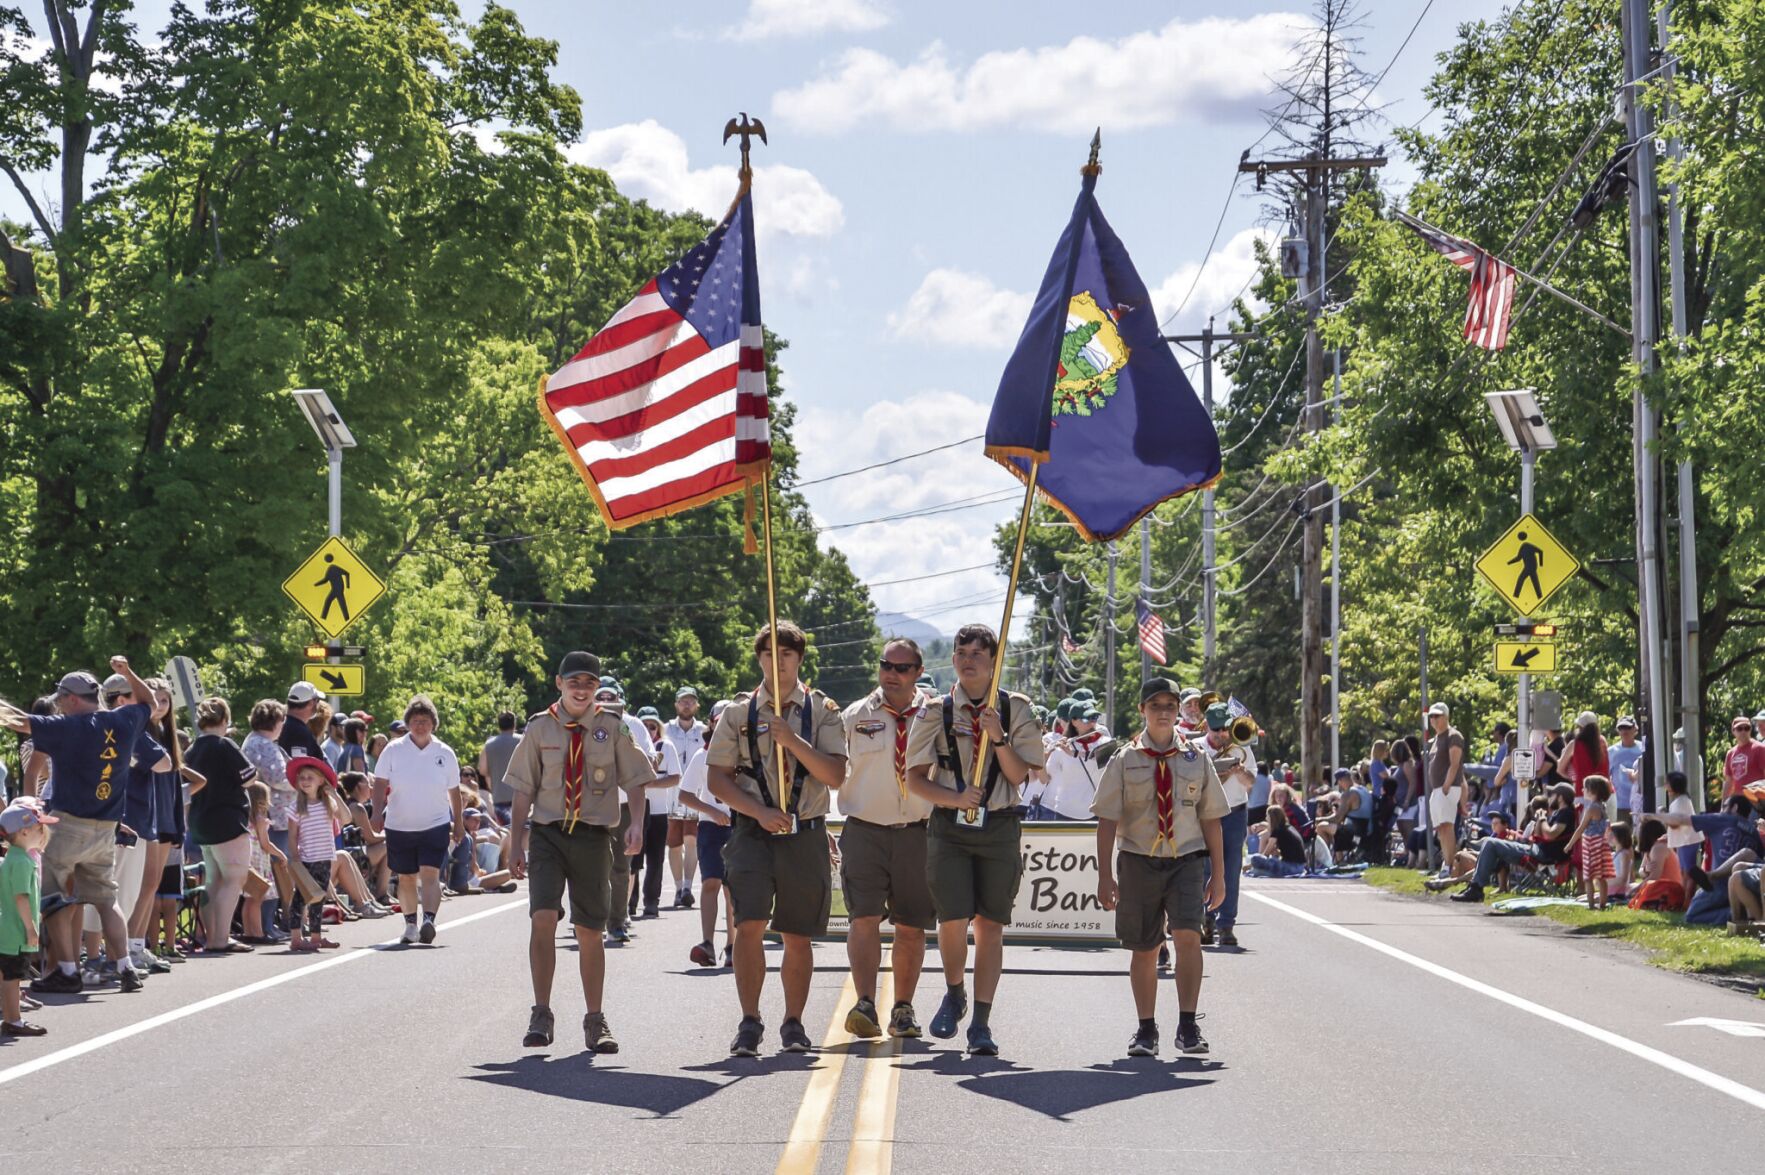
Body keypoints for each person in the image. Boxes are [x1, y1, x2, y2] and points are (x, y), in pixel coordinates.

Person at [707, 621, 848, 1057]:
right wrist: (760, 812)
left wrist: (794, 741)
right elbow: (717, 780)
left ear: (800, 659)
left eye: (787, 654)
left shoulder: (822, 710)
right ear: (759, 659)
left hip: (804, 831)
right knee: (747, 923)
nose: (778, 661)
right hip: (753, 831)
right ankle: (749, 1021)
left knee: (797, 933)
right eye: (769, 654)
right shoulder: (738, 714)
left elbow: (836, 776)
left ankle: (794, 1022)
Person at [904, 623, 1044, 1057]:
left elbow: (1021, 774)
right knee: (952, 918)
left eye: (977, 655)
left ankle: (980, 1023)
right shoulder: (935, 711)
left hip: (998, 826)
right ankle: (954, 991)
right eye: (961, 653)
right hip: (950, 827)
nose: (967, 662)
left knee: (989, 926)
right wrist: (955, 796)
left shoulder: (1016, 709)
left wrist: (997, 735)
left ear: (993, 662)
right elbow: (914, 780)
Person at [503, 651, 653, 1052]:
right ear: (559, 683)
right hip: (549, 834)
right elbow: (522, 790)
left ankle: (594, 1020)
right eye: (574, 682)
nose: (581, 689)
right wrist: (516, 841)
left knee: (590, 929)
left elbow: (636, 780)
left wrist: (636, 823)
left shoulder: (612, 727)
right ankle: (541, 1013)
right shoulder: (539, 728)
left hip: (592, 837)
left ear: (596, 687)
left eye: (589, 682)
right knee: (544, 918)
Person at [1, 659, 153, 994]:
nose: (58, 704)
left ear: (71, 699)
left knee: (55, 897)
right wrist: (128, 674)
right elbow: (150, 704)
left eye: (60, 698)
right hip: (106, 825)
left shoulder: (66, 726)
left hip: (68, 825)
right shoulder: (124, 719)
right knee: (105, 898)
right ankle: (125, 966)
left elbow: (18, 721)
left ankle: (67, 971)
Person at [1094, 678, 1227, 1057]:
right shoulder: (1125, 759)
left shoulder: (1196, 759)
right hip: (1138, 862)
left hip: (1185, 861)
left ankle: (1188, 1025)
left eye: (1171, 705)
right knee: (1145, 947)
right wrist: (1106, 875)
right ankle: (1146, 1029)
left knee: (1188, 936)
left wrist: (1218, 875)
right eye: (1156, 706)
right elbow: (1106, 819)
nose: (1165, 712)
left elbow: (1212, 819)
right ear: (1143, 711)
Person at [837, 638, 936, 1040]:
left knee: (912, 926)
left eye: (901, 668)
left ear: (917, 671)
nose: (891, 674)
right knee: (863, 918)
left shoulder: (935, 715)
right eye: (885, 666)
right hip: (864, 830)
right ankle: (864, 1003)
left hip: (917, 832)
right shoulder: (853, 715)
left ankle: (903, 1008)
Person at [370, 696, 465, 946]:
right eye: (415, 721)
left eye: (425, 721)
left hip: (435, 822)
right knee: (406, 877)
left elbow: (455, 791)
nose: (420, 725)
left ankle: (429, 921)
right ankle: (410, 924)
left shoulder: (444, 752)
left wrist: (460, 823)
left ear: (433, 723)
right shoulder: (393, 749)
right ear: (408, 723)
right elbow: (379, 783)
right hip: (399, 824)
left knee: (431, 874)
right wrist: (377, 812)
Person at [183, 697, 260, 955]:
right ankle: (220, 938)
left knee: (213, 881)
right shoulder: (224, 744)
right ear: (225, 721)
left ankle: (210, 936)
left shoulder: (192, 749)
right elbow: (249, 778)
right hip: (227, 820)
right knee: (234, 879)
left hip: (200, 821)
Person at [1447, 782, 1576, 902]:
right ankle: (1475, 886)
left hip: (1544, 854)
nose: (1549, 798)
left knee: (1491, 843)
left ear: (1560, 798)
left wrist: (1542, 819)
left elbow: (1551, 833)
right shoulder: (1558, 813)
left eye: (1552, 795)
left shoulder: (1566, 813)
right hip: (1539, 849)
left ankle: (1476, 889)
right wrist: (1539, 819)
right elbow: (1538, 835)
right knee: (1490, 843)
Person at [678, 701, 734, 969]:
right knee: (711, 882)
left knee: (733, 888)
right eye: (719, 721)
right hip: (711, 827)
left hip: (739, 825)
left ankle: (733, 945)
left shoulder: (745, 754)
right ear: (711, 723)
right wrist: (711, 810)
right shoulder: (703, 755)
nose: (723, 726)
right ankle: (708, 942)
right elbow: (685, 794)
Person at [1198, 701, 1254, 946]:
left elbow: (1250, 782)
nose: (1221, 734)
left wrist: (1239, 772)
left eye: (1225, 729)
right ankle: (1206, 919)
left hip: (1234, 813)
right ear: (1207, 727)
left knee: (1231, 869)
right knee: (1205, 869)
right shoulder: (1197, 749)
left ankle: (1227, 924)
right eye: (1216, 729)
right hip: (1206, 813)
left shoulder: (1240, 749)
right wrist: (1218, 774)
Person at [241, 699, 294, 942]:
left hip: (266, 814)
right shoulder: (264, 745)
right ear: (275, 721)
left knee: (268, 872)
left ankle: (265, 925)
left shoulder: (252, 742)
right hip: (272, 816)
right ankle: (265, 926)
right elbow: (278, 776)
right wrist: (299, 776)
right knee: (273, 871)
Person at [1, 799, 54, 1036]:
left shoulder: (12, 858)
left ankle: (12, 1017)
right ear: (23, 832)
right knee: (12, 977)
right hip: (14, 930)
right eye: (38, 827)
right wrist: (31, 929)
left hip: (8, 926)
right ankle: (13, 1020)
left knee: (6, 974)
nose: (43, 832)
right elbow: (21, 897)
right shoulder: (22, 861)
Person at [287, 757, 345, 951]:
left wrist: (335, 795)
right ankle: (295, 937)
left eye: (310, 777)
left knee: (319, 897)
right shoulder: (297, 807)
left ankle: (315, 937)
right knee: (300, 897)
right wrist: (295, 859)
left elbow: (346, 818)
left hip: (324, 856)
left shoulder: (327, 803)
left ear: (321, 780)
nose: (305, 780)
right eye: (302, 777)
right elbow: (293, 836)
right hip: (306, 858)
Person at [630, 707, 681, 920]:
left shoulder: (665, 746)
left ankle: (651, 901)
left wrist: (652, 783)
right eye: (645, 726)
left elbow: (675, 777)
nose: (650, 730)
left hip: (658, 810)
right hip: (636, 809)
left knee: (656, 858)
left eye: (653, 726)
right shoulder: (632, 745)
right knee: (633, 858)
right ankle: (629, 903)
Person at [660, 689, 703, 910]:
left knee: (692, 840)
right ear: (676, 705)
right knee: (674, 844)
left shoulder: (703, 731)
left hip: (695, 795)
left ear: (697, 705)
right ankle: (678, 888)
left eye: (691, 702)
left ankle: (687, 886)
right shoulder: (666, 730)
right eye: (683, 702)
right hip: (671, 796)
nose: (687, 705)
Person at [1038, 706, 1107, 820]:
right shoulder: (1061, 747)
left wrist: (1075, 753)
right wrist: (1043, 757)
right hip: (1065, 813)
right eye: (1087, 719)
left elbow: (1106, 758)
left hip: (1096, 812)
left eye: (1094, 718)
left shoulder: (1105, 741)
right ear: (1074, 722)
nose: (1092, 723)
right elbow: (1044, 779)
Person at [1425, 703, 1466, 875]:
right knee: (1440, 828)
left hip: (1446, 788)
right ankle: (1446, 863)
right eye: (1431, 716)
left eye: (1437, 716)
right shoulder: (1435, 739)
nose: (1433, 719)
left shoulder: (1453, 736)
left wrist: (1446, 787)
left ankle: (1450, 865)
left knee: (1447, 826)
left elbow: (1455, 763)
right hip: (1436, 789)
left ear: (1446, 717)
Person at [1566, 775, 1616, 910]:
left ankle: (1591, 905)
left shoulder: (1591, 809)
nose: (1582, 790)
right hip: (1601, 844)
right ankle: (1602, 904)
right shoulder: (1602, 807)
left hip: (1592, 844)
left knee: (1589, 877)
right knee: (1602, 877)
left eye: (1585, 788)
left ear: (1593, 791)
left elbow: (1581, 829)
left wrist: (1569, 845)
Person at [1629, 818, 1684, 910]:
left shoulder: (1659, 848)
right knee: (1630, 887)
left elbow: (1654, 877)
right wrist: (1646, 869)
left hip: (1668, 891)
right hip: (1664, 889)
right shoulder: (1654, 848)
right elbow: (1641, 871)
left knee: (1630, 889)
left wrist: (1635, 890)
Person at [478, 711, 521, 825]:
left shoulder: (489, 744)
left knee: (505, 832)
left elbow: (482, 769)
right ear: (514, 724)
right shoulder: (523, 741)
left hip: (499, 797)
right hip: (522, 796)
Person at [1248, 803, 1307, 878]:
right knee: (1265, 865)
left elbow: (1266, 854)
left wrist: (1249, 865)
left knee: (1255, 858)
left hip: (1291, 867)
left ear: (1272, 818)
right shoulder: (1288, 827)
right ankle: (1257, 872)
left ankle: (1255, 871)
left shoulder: (1277, 830)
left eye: (1267, 816)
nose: (1266, 818)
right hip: (1300, 867)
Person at [1607, 717, 1644, 824]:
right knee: (1621, 837)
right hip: (1620, 804)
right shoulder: (1611, 751)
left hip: (1640, 803)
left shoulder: (1643, 749)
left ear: (1635, 730)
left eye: (1627, 727)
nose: (1624, 731)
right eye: (1621, 728)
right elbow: (1605, 776)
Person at [1564, 712, 1609, 797]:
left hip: (1584, 793)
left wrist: (1574, 778)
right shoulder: (1603, 741)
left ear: (1580, 728)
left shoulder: (1575, 744)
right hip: (1606, 793)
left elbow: (1560, 769)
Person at [1723, 716, 1765, 800]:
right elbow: (1728, 782)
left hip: (1757, 801)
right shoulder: (1730, 754)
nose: (1743, 731)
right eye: (1739, 729)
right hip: (1738, 801)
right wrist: (1723, 805)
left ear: (1750, 730)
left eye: (1746, 728)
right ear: (1733, 731)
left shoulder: (1760, 749)